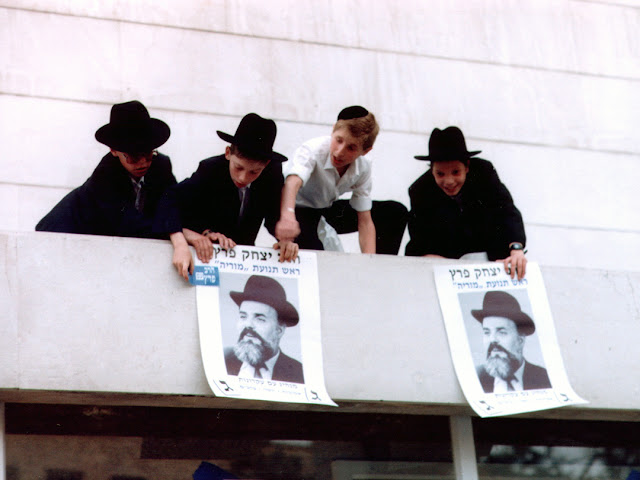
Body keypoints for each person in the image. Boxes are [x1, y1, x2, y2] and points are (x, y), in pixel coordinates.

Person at [154, 113, 299, 281]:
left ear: (266, 165)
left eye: (254, 172)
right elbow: (171, 198)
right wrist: (203, 232)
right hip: (206, 257)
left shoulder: (272, 175)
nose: (243, 178)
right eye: (238, 167)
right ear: (228, 153)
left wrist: (284, 239)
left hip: (242, 261)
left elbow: (273, 215)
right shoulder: (210, 169)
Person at [275, 106, 407, 255]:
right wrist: (287, 218)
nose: (339, 152)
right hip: (289, 207)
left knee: (394, 212)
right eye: (338, 140)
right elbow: (292, 183)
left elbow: (364, 219)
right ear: (332, 131)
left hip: (324, 209)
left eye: (351, 148)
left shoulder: (363, 167)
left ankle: (380, 268)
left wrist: (370, 259)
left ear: (365, 151)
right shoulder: (313, 149)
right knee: (318, 254)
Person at [35, 100, 176, 238]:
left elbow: (175, 204)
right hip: (59, 235)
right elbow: (131, 226)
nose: (143, 163)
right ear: (114, 150)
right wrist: (176, 233)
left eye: (148, 154)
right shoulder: (104, 177)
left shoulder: (161, 165)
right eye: (133, 157)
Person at [405, 126, 527, 280]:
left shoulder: (484, 173)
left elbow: (507, 211)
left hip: (492, 259)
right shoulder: (420, 191)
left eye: (456, 172)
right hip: (449, 269)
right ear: (431, 171)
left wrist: (516, 249)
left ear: (467, 166)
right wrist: (432, 259)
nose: (449, 181)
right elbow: (418, 240)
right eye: (440, 174)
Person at [224, 275, 304, 384]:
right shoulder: (223, 361)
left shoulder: (299, 374)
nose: (248, 325)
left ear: (279, 330)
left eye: (260, 319)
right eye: (243, 316)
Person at [472, 290, 551, 393]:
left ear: (520, 340)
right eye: (487, 332)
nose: (492, 339)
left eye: (502, 332)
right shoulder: (475, 378)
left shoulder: (544, 378)